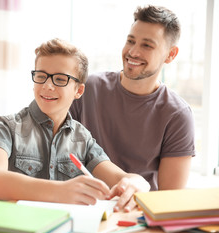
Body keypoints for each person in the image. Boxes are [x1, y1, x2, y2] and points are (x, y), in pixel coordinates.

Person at [0, 38, 150, 212]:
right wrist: (60, 191)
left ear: (79, 90)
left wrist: (137, 182)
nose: (47, 85)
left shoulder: (83, 139)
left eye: (60, 79)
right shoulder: (4, 127)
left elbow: (121, 177)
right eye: (41, 76)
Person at [70, 5, 195, 191]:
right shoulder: (87, 88)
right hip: (82, 202)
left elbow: (169, 198)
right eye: (131, 41)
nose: (133, 52)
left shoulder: (177, 115)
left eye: (147, 45)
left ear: (170, 54)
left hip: (136, 212)